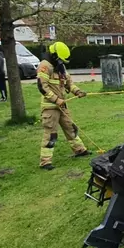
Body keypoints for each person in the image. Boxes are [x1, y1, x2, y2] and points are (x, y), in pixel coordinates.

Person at [36, 42, 90, 170]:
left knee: (71, 128)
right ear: (54, 55)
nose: (61, 62)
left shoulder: (60, 67)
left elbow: (68, 83)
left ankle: (80, 150)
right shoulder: (45, 66)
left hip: (62, 107)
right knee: (51, 134)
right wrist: (56, 100)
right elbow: (42, 87)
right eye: (60, 59)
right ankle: (45, 162)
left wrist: (78, 91)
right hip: (50, 108)